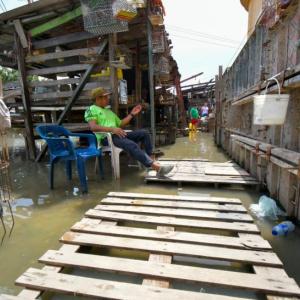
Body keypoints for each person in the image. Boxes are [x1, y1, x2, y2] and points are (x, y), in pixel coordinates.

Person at [84, 88, 174, 177]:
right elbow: (93, 127)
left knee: (144, 133)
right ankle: (157, 168)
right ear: (98, 98)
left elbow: (120, 124)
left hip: (118, 134)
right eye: (106, 97)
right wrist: (112, 129)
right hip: (107, 138)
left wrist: (132, 114)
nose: (108, 99)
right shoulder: (91, 109)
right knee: (131, 144)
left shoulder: (108, 111)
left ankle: (151, 160)